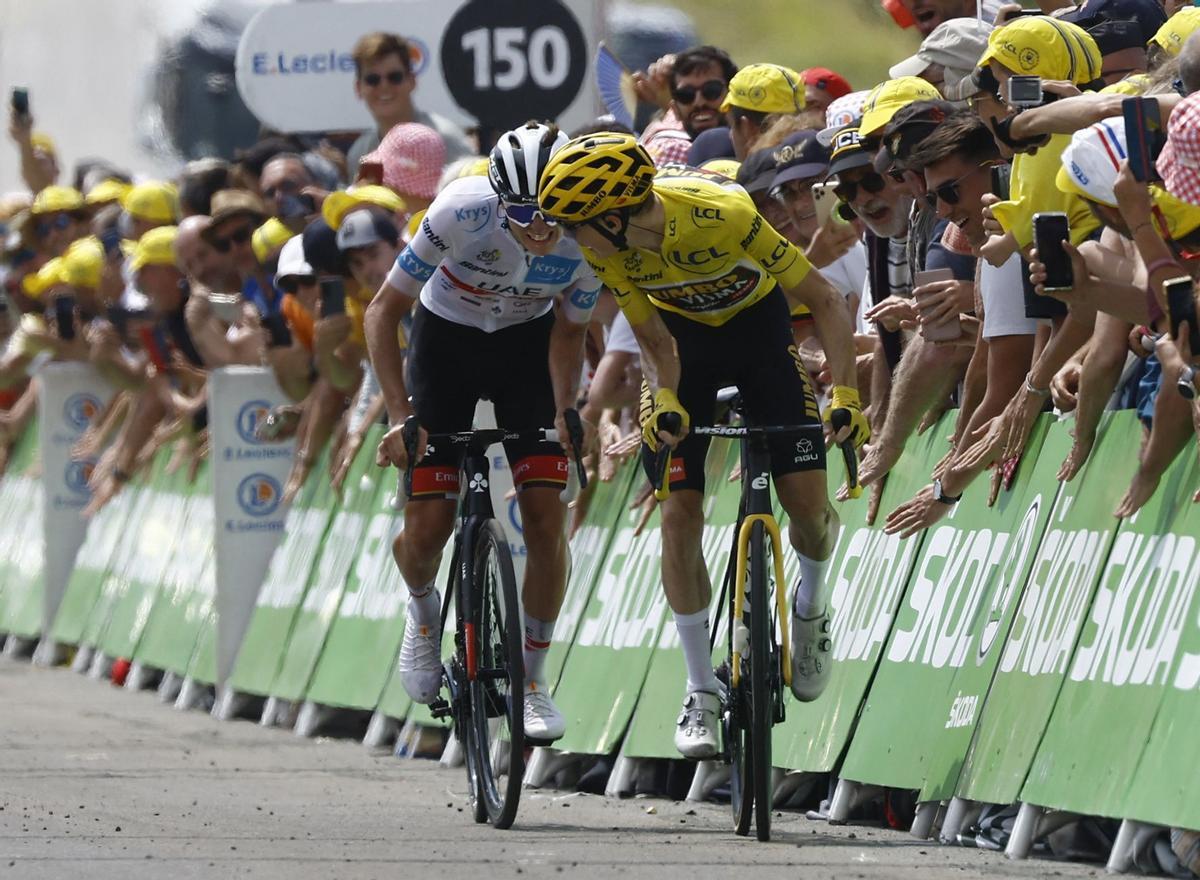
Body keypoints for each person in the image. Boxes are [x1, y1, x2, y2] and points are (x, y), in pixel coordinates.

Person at [537, 133, 868, 758]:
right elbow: (654, 342)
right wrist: (663, 399)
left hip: (757, 334)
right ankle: (700, 689)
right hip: (684, 350)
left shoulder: (727, 214)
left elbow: (824, 299)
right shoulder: (607, 249)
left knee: (807, 509)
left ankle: (812, 603)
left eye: (577, 226)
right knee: (677, 514)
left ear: (612, 214)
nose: (571, 240)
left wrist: (846, 395)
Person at [365, 122, 601, 743]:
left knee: (547, 518)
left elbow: (571, 333)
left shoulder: (587, 236)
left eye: (552, 214)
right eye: (525, 215)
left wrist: (566, 409)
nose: (542, 229)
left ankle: (533, 682)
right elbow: (383, 310)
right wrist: (398, 414)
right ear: (498, 199)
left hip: (527, 350)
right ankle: (422, 615)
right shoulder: (460, 211)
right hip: (445, 347)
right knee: (427, 528)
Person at [345, 32, 473, 173]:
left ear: (412, 80)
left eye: (394, 77)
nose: (384, 86)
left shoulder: (446, 139)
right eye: (372, 80)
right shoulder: (359, 154)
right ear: (358, 87)